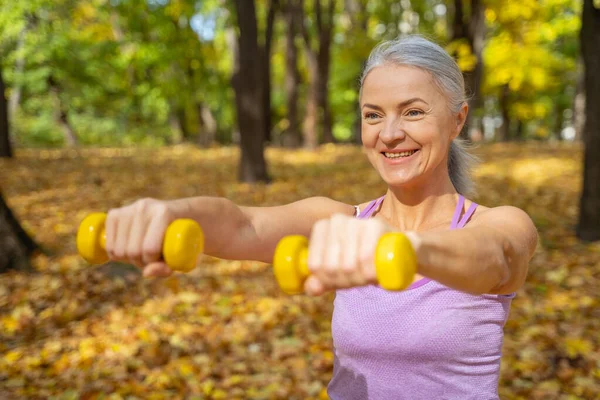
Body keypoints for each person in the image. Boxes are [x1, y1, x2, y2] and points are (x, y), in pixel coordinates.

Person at [103, 35, 537, 399]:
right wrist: (170, 213)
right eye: (373, 116)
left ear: (457, 120)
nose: (389, 133)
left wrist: (401, 250)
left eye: (413, 111)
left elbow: (493, 258)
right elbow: (242, 224)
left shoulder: (499, 225)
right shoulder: (342, 221)